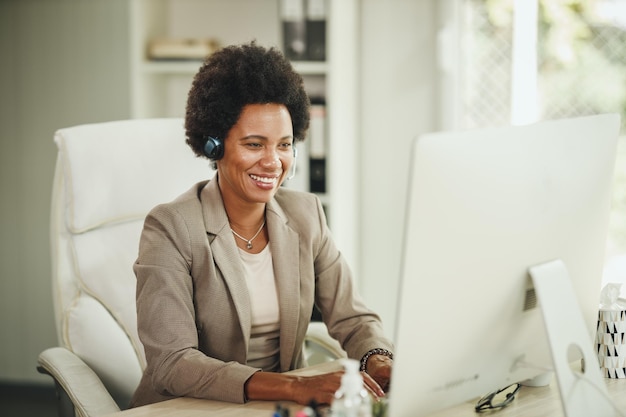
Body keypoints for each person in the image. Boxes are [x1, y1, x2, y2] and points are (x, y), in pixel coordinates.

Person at [130, 41, 394, 408]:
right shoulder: (171, 227)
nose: (273, 162)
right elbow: (173, 363)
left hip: (278, 410)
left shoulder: (306, 214)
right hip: (190, 408)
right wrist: (294, 388)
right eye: (255, 144)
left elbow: (353, 318)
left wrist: (378, 359)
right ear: (213, 146)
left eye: (284, 145)